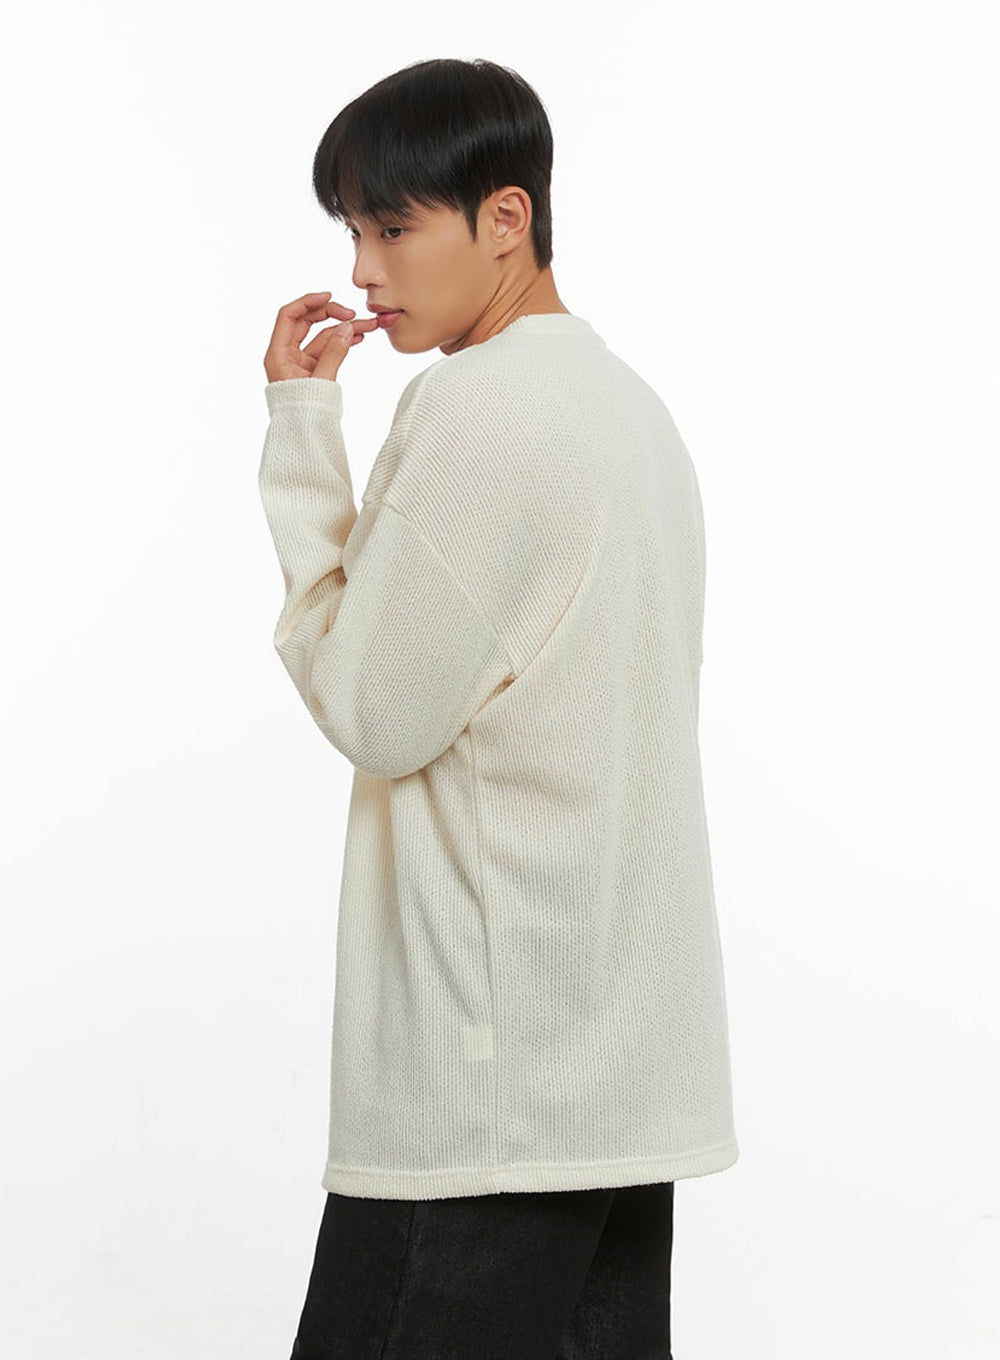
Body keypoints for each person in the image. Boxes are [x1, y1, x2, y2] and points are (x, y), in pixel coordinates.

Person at [258, 56, 738, 1360]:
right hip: (614, 1071)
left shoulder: (477, 407)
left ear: (507, 217)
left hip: (486, 1088)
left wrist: (302, 435)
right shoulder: (635, 414)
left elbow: (371, 706)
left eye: (392, 228)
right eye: (353, 233)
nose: (364, 271)